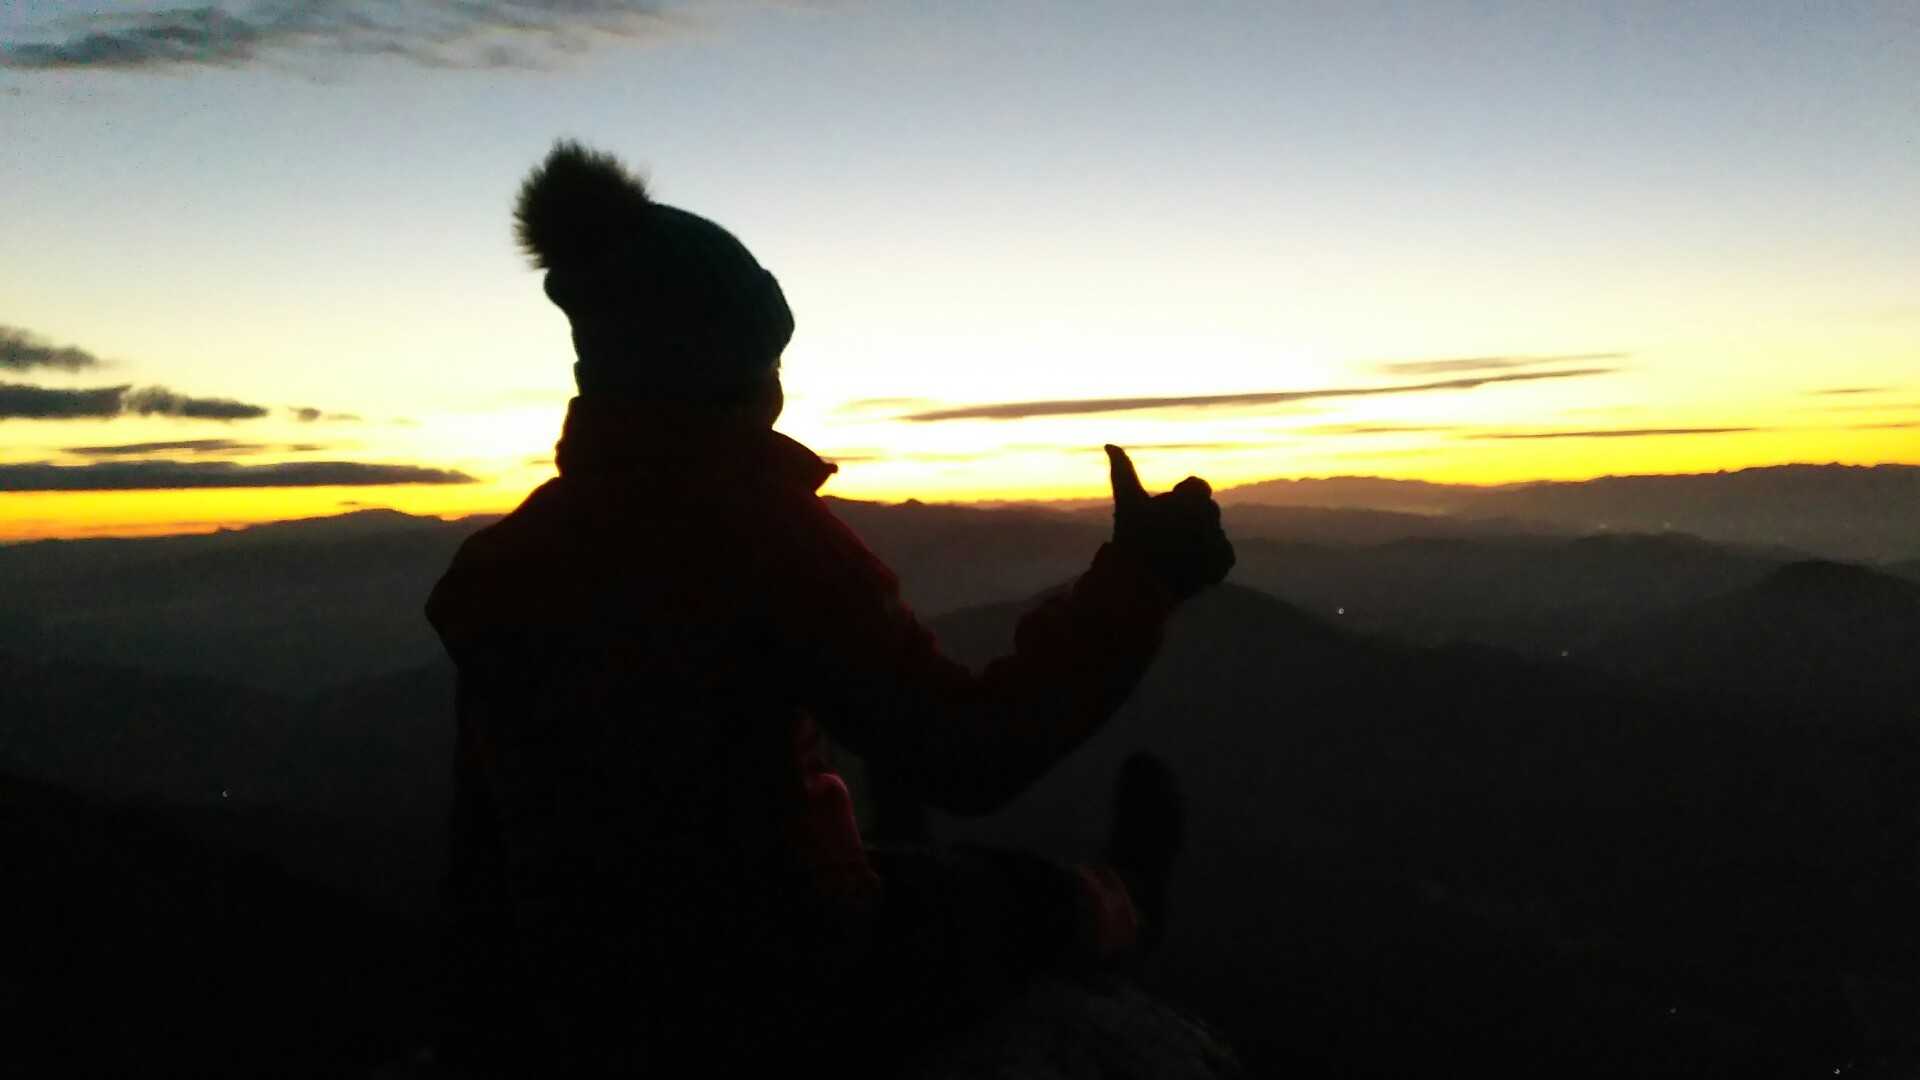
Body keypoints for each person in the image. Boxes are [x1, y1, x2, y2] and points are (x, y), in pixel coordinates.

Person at [424, 141, 1234, 1076]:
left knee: (897, 848)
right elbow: (971, 751)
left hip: (585, 994)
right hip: (769, 986)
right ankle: (1126, 905)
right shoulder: (759, 535)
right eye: (768, 359)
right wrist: (1144, 579)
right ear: (724, 370)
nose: (779, 387)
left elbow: (487, 841)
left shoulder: (506, 562)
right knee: (1007, 896)